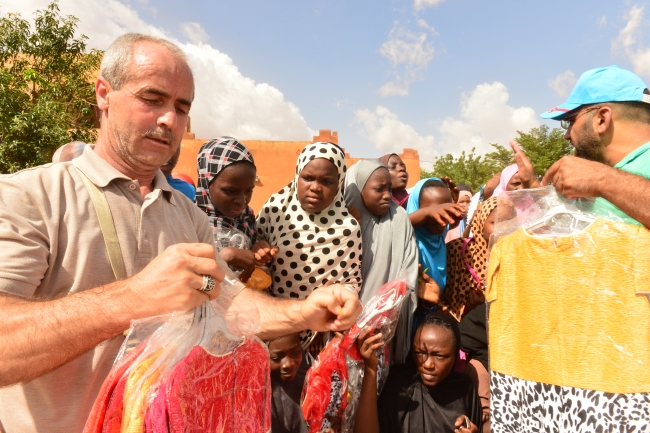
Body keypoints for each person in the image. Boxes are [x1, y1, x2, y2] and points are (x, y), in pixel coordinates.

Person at [0, 34, 362, 433]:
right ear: (104, 93)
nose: (169, 120)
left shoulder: (189, 219)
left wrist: (304, 311)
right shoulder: (27, 198)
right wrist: (132, 299)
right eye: (152, 99)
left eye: (181, 107)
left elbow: (227, 305)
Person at [255, 142, 363, 349]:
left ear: (339, 184)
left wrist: (339, 298)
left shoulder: (349, 229)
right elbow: (253, 266)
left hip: (323, 335)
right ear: (297, 176)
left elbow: (352, 281)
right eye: (308, 178)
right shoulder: (275, 212)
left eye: (327, 181)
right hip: (274, 330)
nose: (315, 187)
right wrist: (258, 253)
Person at [541, 65, 650, 229]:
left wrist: (602, 180)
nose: (567, 134)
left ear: (602, 119)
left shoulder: (602, 179)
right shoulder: (605, 176)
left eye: (570, 121)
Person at [353, 312, 482, 433]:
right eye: (420, 353)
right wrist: (370, 368)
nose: (427, 364)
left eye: (440, 356)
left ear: (455, 356)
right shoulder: (399, 383)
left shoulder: (464, 389)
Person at [343, 159, 418, 363]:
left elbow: (407, 272)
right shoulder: (341, 223)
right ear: (358, 189)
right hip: (342, 327)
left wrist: (380, 318)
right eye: (379, 189)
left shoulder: (399, 219)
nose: (387, 195)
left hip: (383, 330)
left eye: (390, 189)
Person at [195, 137, 274, 281]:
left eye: (248, 191)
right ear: (206, 183)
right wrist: (224, 257)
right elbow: (183, 276)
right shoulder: (190, 221)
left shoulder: (246, 219)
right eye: (230, 191)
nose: (242, 201)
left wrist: (258, 251)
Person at [406, 178, 464, 304]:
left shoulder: (437, 235)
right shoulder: (408, 242)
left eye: (445, 210)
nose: (441, 218)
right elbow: (397, 227)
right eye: (434, 212)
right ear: (417, 208)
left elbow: (453, 222)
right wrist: (427, 213)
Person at [268, 333, 309, 433]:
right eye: (276, 358)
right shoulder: (256, 392)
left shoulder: (312, 372)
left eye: (295, 353)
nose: (288, 364)